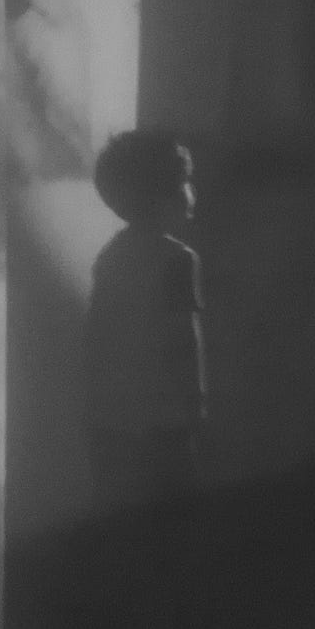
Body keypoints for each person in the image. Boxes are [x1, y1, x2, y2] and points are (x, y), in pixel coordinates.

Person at [85, 129, 208, 511]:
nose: (191, 192)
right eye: (185, 182)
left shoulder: (109, 258)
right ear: (163, 195)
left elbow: (97, 339)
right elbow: (184, 341)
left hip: (115, 425)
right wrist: (197, 412)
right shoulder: (178, 259)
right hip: (165, 425)